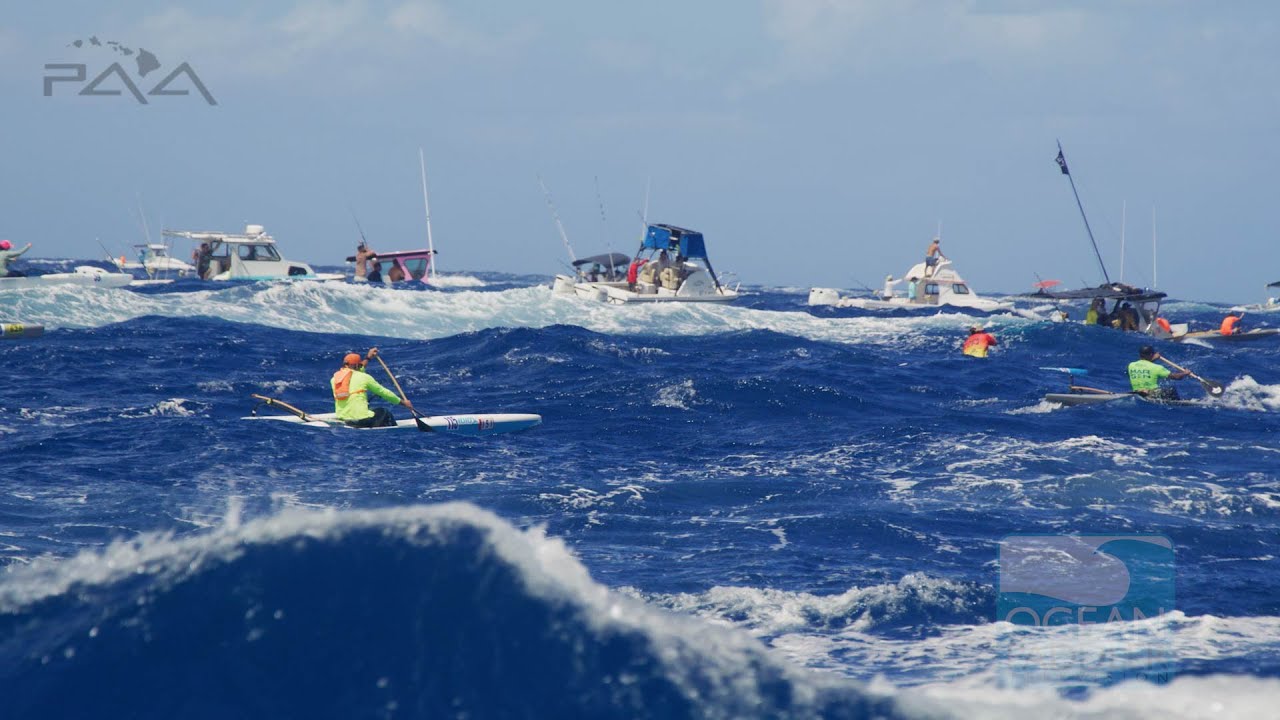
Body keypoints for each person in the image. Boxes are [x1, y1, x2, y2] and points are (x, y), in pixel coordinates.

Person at [331, 348, 412, 428]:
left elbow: (357, 369)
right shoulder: (364, 377)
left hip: (344, 419)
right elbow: (383, 392)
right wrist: (403, 403)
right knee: (384, 412)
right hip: (361, 421)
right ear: (356, 365)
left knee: (370, 409)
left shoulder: (334, 379)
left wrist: (368, 357)